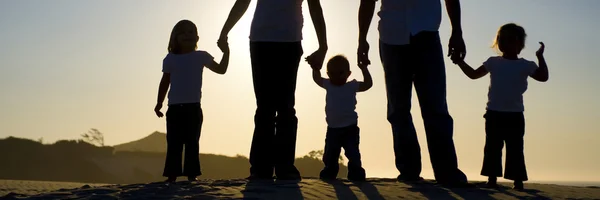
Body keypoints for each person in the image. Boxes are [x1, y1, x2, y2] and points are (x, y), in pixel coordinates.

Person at [357, 0, 469, 186]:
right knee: (398, 109)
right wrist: (362, 39)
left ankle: (447, 171)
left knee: (435, 107)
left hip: (426, 34)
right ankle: (409, 170)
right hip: (392, 36)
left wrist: (457, 31)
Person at [218, 0, 328, 180]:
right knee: (264, 107)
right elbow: (243, 2)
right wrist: (225, 32)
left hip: (289, 42)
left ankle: (285, 167)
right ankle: (261, 168)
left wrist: (323, 46)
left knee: (285, 107)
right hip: (260, 41)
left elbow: (315, 6)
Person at [451, 23, 549, 190]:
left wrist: (540, 56)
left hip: (515, 115)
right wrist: (460, 62)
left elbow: (543, 77)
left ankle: (518, 181)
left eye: (510, 40)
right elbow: (474, 75)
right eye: (501, 40)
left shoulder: (525, 65)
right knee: (492, 147)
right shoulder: (493, 62)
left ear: (519, 44)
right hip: (494, 113)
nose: (505, 43)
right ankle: (492, 179)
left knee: (515, 149)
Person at [154, 19, 230, 183]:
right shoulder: (170, 59)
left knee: (192, 142)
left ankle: (192, 174)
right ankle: (172, 175)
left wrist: (226, 52)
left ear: (197, 37)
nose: (188, 35)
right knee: (173, 142)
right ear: (175, 37)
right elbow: (165, 81)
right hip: (174, 108)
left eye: (191, 32)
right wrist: (159, 103)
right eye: (183, 32)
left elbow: (221, 70)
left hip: (193, 108)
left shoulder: (201, 56)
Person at [309, 55, 373, 182]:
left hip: (350, 128)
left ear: (348, 73)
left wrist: (364, 69)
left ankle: (356, 173)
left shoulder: (352, 86)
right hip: (333, 129)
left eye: (340, 73)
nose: (337, 76)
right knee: (330, 155)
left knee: (353, 153)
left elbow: (367, 84)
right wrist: (315, 68)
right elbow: (317, 79)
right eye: (332, 73)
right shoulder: (328, 84)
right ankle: (329, 172)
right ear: (328, 74)